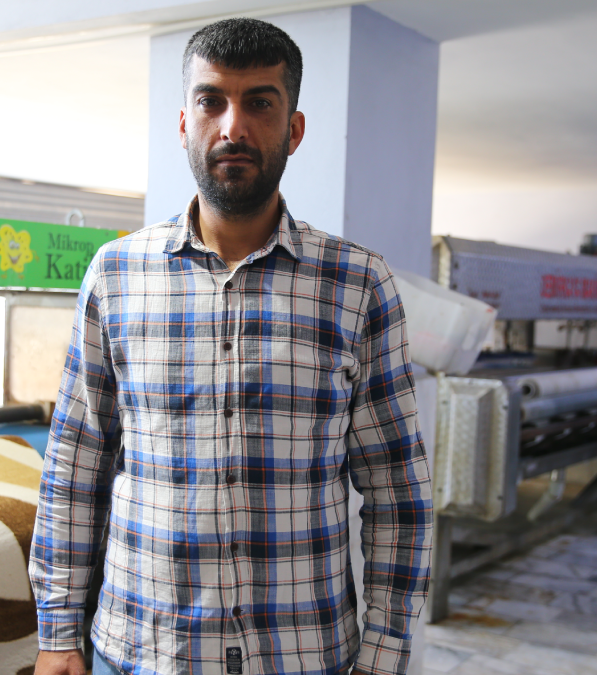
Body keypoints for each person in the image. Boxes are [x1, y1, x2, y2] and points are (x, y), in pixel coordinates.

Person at [29, 17, 431, 675]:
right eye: (211, 100)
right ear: (184, 123)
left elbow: (398, 493)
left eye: (259, 103)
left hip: (301, 654)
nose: (232, 127)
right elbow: (76, 466)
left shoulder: (358, 284)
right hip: (142, 651)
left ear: (293, 129)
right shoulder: (115, 275)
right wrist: (57, 631)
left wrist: (384, 652)